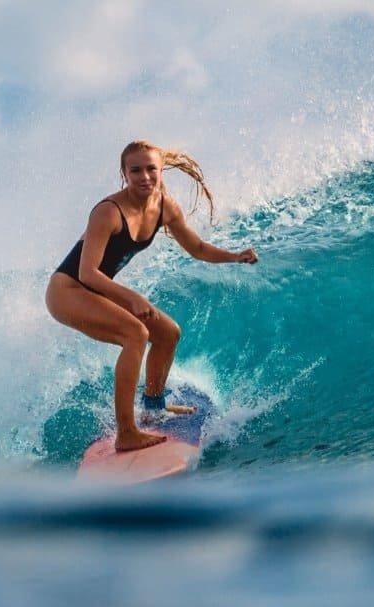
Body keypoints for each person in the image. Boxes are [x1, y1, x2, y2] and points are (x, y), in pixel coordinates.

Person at [45, 140, 258, 452]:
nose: (144, 176)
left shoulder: (165, 207)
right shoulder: (107, 212)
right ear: (124, 173)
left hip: (97, 289)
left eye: (151, 169)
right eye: (135, 170)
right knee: (136, 334)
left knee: (168, 333)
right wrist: (131, 297)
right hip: (68, 290)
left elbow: (197, 248)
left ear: (161, 171)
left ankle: (154, 408)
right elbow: (87, 272)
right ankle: (127, 433)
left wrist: (234, 256)